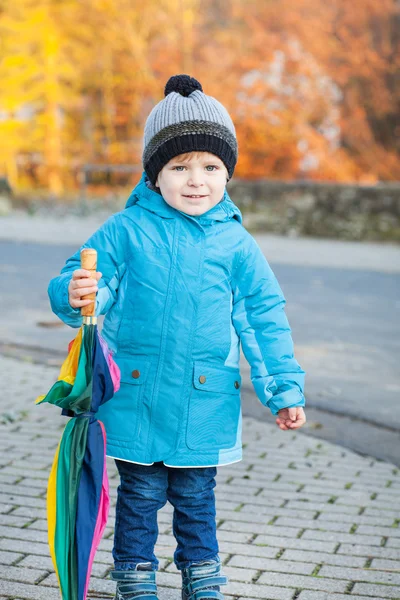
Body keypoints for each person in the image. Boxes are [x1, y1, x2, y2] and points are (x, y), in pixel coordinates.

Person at [48, 74, 306, 600]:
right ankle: (135, 578)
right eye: (179, 166)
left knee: (196, 497)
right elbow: (85, 285)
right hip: (137, 397)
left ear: (227, 174)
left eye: (211, 167)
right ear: (154, 174)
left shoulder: (237, 243)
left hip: (203, 398)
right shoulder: (125, 231)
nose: (196, 180)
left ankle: (202, 577)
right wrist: (74, 293)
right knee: (139, 496)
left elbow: (263, 317)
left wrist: (283, 389)